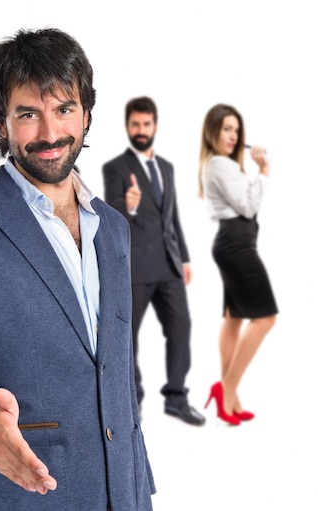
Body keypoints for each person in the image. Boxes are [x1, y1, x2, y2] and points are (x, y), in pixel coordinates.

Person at [0, 28, 155, 510]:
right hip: (25, 499)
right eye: (27, 114)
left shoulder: (115, 230)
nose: (50, 133)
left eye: (64, 109)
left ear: (86, 115)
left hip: (126, 495)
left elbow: (114, 380)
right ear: (2, 123)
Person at [102, 97, 205, 426]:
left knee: (181, 327)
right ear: (127, 127)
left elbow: (172, 218)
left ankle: (177, 397)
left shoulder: (167, 168)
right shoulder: (116, 168)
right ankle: (133, 400)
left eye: (146, 124)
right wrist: (127, 204)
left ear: (155, 126)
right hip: (135, 266)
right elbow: (110, 214)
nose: (141, 130)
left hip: (168, 266)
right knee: (128, 336)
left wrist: (184, 258)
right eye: (135, 124)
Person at [198, 103, 278, 425]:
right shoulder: (219, 164)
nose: (232, 135)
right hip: (236, 243)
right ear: (213, 131)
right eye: (226, 128)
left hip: (237, 242)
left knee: (234, 318)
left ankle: (230, 398)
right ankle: (226, 389)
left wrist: (252, 172)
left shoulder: (225, 165)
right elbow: (247, 206)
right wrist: (264, 172)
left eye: (235, 129)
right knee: (265, 318)